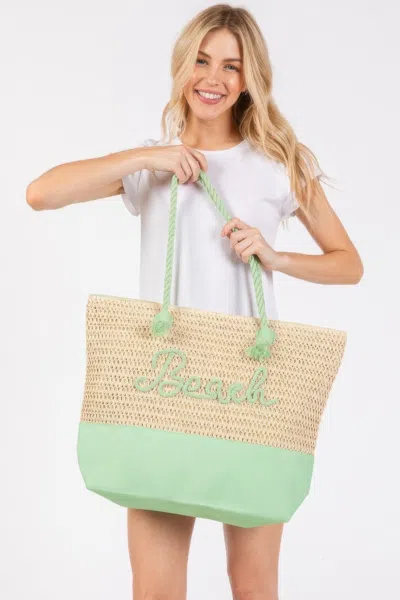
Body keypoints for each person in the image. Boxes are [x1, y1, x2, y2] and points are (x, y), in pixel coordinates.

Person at [26, 4, 363, 599]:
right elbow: (41, 194)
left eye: (232, 66)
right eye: (202, 61)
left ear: (250, 78)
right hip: (163, 386)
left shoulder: (277, 166)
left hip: (250, 391)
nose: (213, 78)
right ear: (182, 65)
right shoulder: (154, 164)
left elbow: (348, 264)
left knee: (254, 586)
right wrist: (148, 157)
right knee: (155, 590)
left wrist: (275, 257)